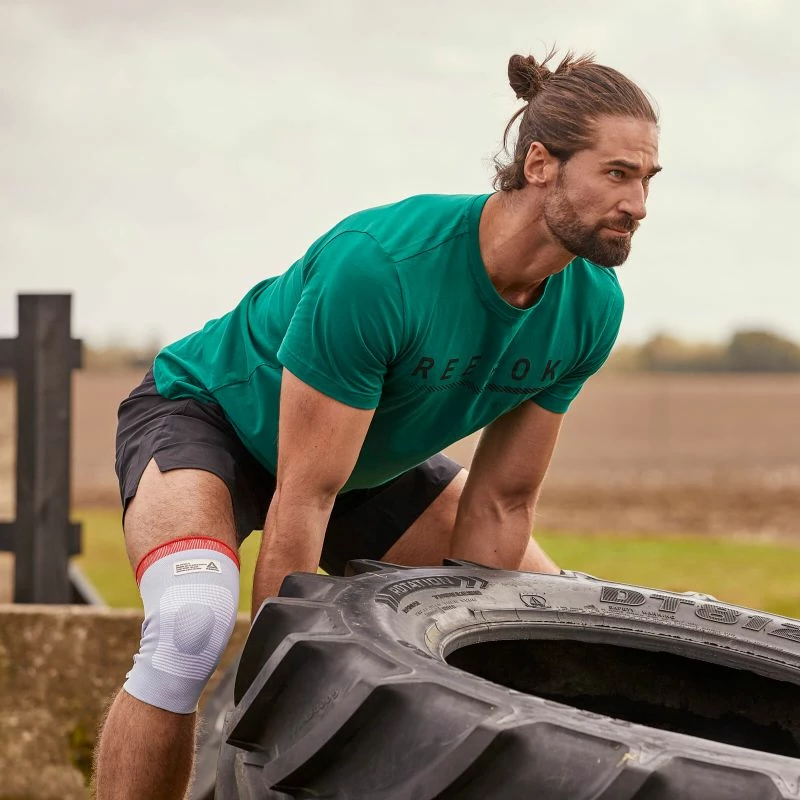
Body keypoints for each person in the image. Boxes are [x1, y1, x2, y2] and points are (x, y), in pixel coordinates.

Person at [92, 47, 661, 799]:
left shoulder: (592, 304)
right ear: (540, 165)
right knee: (190, 625)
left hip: (362, 464)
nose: (640, 205)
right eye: (617, 174)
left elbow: (500, 507)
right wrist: (266, 715)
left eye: (649, 179)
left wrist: (482, 684)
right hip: (212, 420)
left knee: (546, 630)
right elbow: (305, 497)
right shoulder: (384, 267)